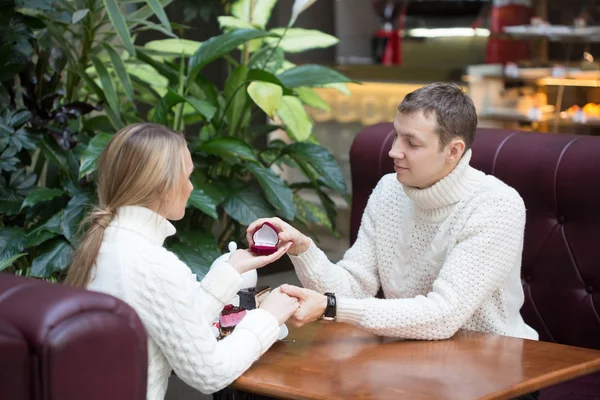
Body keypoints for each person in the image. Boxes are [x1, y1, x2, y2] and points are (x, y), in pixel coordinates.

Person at [248, 82, 539, 342]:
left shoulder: (496, 205)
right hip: (409, 356)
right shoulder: (390, 189)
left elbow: (443, 315)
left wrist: (332, 307)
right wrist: (302, 249)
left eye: (411, 143)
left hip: (495, 365)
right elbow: (352, 286)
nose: (394, 151)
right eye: (396, 135)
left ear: (453, 151)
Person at [65, 123, 299, 400]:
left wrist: (232, 268)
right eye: (187, 177)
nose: (190, 188)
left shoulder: (107, 243)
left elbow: (175, 325)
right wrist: (268, 317)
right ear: (163, 186)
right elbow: (209, 373)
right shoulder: (152, 263)